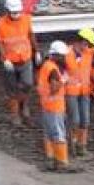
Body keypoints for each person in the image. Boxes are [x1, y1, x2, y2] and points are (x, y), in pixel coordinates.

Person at [0, 0, 36, 126]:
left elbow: (31, 35)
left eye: (18, 12)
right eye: (13, 12)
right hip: (10, 61)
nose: (16, 14)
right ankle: (15, 114)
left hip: (25, 58)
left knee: (28, 84)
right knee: (11, 89)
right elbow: (0, 43)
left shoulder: (27, 20)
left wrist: (37, 51)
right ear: (7, 11)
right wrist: (5, 58)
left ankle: (24, 105)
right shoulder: (1, 23)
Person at [36, 40, 73, 172]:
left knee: (49, 134)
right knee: (58, 134)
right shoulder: (53, 69)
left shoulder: (46, 66)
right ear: (56, 55)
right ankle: (61, 161)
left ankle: (51, 159)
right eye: (62, 56)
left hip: (46, 105)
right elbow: (54, 88)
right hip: (55, 107)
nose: (64, 58)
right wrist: (63, 80)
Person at [65, 28, 94, 157]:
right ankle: (71, 144)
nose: (87, 47)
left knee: (85, 121)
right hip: (71, 92)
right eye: (87, 44)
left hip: (84, 92)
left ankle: (81, 147)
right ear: (82, 42)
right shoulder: (66, 53)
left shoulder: (88, 53)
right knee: (75, 120)